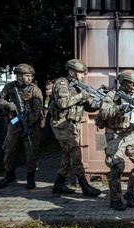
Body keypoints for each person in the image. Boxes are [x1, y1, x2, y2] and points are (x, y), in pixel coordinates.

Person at [96, 70, 134, 211]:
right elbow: (103, 113)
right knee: (117, 167)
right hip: (114, 135)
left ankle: (131, 193)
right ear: (126, 83)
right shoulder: (112, 96)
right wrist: (120, 108)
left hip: (130, 136)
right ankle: (115, 199)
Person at [49, 59, 101, 197]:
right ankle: (84, 186)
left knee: (68, 155)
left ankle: (58, 185)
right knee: (75, 153)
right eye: (81, 73)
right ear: (71, 71)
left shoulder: (79, 87)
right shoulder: (62, 83)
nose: (83, 76)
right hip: (61, 124)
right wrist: (81, 96)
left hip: (72, 125)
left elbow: (89, 107)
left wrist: (98, 102)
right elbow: (62, 103)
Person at [0, 63, 43, 189]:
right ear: (19, 76)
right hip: (15, 124)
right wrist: (7, 105)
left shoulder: (35, 90)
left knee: (31, 151)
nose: (30, 78)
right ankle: (9, 175)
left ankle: (30, 176)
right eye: (27, 76)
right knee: (9, 149)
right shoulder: (10, 87)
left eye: (31, 76)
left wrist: (28, 122)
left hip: (31, 125)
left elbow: (38, 109)